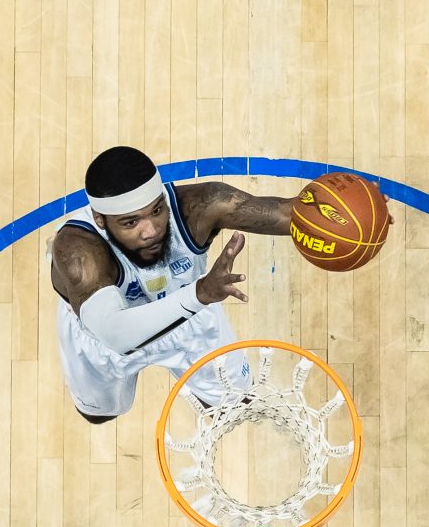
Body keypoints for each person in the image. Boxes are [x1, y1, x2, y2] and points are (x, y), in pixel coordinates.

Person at [50, 146, 296, 423]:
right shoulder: (76, 251)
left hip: (188, 315)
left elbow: (291, 215)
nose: (151, 231)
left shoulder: (202, 206)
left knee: (236, 407)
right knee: (99, 416)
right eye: (131, 222)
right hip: (107, 336)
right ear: (100, 220)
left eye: (157, 210)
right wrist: (200, 293)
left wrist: (330, 215)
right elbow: (115, 334)